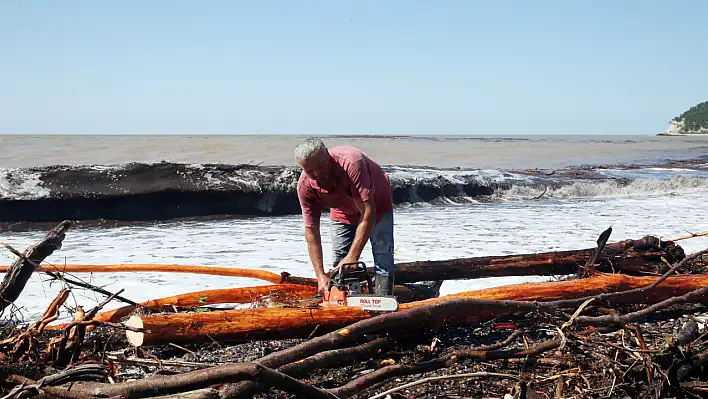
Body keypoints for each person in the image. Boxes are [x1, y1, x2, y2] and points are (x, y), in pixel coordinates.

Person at [294, 138, 396, 296]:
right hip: (342, 210)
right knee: (340, 261)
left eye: (320, 167)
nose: (318, 174)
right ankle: (351, 300)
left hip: (377, 204)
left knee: (383, 254)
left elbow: (369, 212)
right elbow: (311, 231)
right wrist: (320, 275)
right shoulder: (305, 186)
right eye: (310, 171)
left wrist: (353, 256)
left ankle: (385, 300)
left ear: (327, 155)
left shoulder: (352, 163)